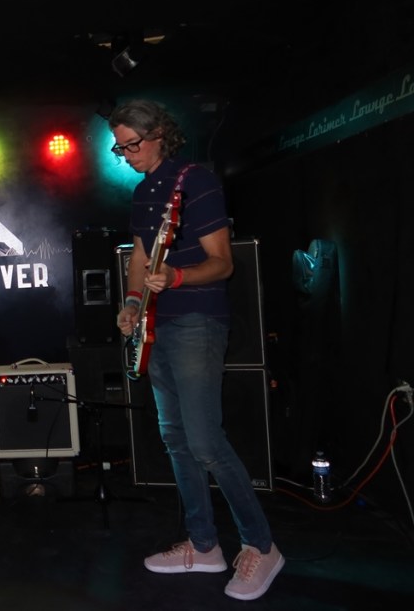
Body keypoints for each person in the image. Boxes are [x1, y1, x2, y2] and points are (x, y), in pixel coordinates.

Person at [111, 100, 283, 601]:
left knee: (205, 441)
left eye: (131, 145)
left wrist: (178, 277)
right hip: (158, 325)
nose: (126, 155)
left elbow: (223, 263)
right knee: (175, 438)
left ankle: (262, 546)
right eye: (119, 148)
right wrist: (132, 302)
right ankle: (204, 545)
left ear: (159, 134)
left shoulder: (196, 182)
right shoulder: (143, 192)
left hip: (197, 321)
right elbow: (141, 256)